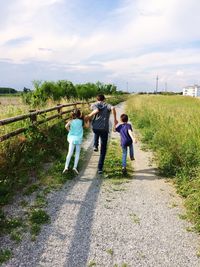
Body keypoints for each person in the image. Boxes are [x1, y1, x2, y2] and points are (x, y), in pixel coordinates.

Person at [87, 94, 118, 174]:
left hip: (95, 128)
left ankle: (95, 145)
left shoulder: (94, 104)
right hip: (104, 129)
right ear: (104, 99)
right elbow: (113, 108)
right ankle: (100, 168)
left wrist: (89, 115)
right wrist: (115, 120)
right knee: (103, 149)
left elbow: (95, 109)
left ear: (97, 99)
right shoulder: (107, 105)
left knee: (96, 132)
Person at [63, 109, 89, 174]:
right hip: (78, 139)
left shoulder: (71, 121)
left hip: (71, 138)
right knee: (77, 153)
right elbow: (87, 126)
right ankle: (74, 167)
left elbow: (66, 126)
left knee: (70, 153)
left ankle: (66, 167)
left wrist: (70, 131)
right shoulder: (81, 121)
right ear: (79, 114)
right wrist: (87, 120)